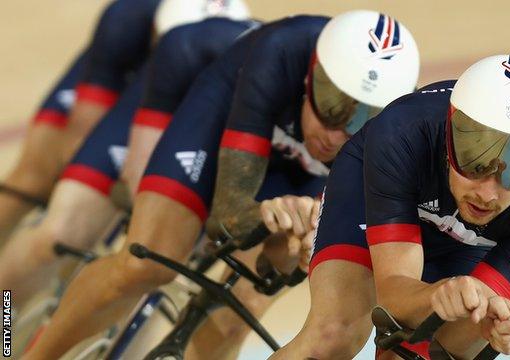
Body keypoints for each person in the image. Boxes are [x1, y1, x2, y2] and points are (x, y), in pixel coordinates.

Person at [23, 10, 420, 360]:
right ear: (310, 73)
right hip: (219, 135)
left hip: (294, 177)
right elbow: (227, 218)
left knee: (240, 312)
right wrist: (269, 216)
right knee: (146, 264)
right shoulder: (280, 51)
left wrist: (296, 245)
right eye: (331, 106)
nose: (335, 136)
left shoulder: (394, 136)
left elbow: (283, 268)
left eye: (361, 120)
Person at [271, 55, 510, 359]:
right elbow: (393, 299)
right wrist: (437, 295)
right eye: (475, 162)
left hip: (463, 241)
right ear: (449, 134)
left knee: (419, 354)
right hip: (380, 191)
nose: (488, 194)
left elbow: (450, 349)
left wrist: (492, 326)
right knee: (333, 336)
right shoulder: (402, 133)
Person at [0, 0, 254, 309]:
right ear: (155, 35)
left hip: (197, 110)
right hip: (127, 86)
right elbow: (81, 135)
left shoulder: (251, 70)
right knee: (38, 189)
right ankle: (5, 321)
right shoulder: (127, 19)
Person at [0, 0, 162, 244]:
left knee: (83, 215)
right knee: (33, 180)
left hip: (166, 74)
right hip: (126, 56)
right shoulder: (131, 16)